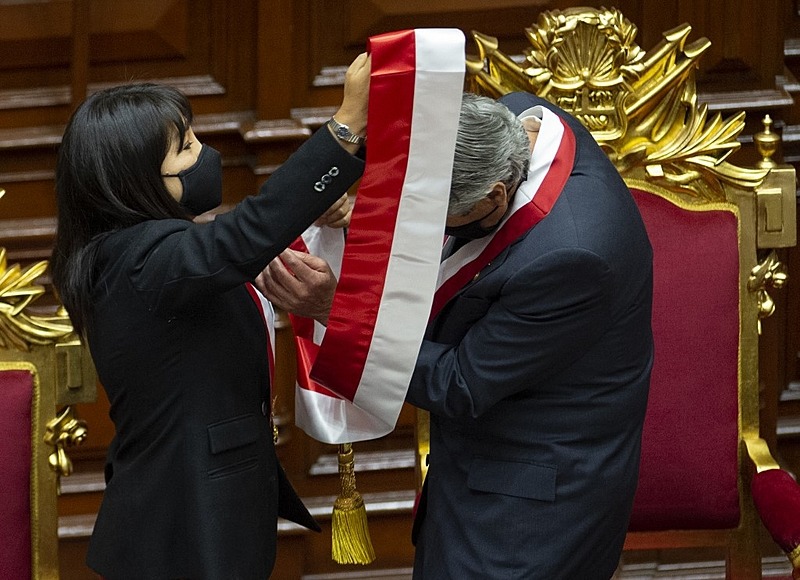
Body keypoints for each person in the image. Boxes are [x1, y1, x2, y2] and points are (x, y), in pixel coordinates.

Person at [257, 91, 654, 579]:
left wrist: (334, 309)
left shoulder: (571, 257)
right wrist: (356, 204)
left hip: (526, 515)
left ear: (494, 196)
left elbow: (460, 383)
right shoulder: (517, 120)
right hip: (473, 465)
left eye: (436, 220)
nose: (416, 227)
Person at [49, 52, 370, 579]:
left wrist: (312, 205)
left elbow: (234, 241)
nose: (208, 154)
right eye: (187, 148)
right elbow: (243, 236)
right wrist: (346, 129)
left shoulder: (143, 254)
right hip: (182, 526)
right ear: (139, 181)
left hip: (205, 514)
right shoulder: (137, 261)